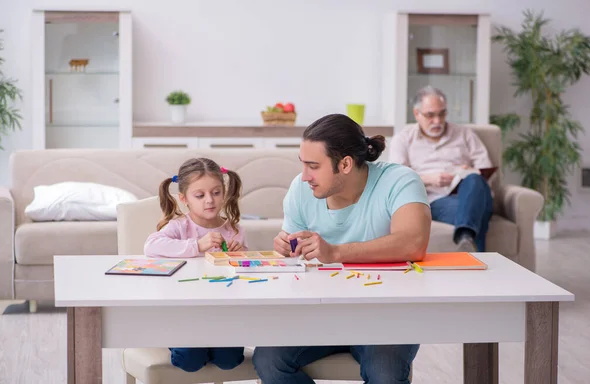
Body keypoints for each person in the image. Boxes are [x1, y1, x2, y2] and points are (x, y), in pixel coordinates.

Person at [252, 114, 431, 384]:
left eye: (313, 166)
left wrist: (335, 253)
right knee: (269, 360)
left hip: (387, 315)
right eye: (304, 165)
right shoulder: (300, 191)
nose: (304, 176)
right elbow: (293, 249)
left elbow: (413, 243)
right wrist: (286, 246)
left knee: (386, 375)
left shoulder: (399, 181)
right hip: (320, 314)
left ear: (345, 164)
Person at [144, 157, 247, 372]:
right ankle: (177, 337)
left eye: (216, 192)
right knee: (190, 360)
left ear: (224, 192)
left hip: (221, 313)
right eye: (200, 195)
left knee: (230, 360)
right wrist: (197, 245)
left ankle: (209, 342)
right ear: (184, 199)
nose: (209, 200)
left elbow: (243, 273)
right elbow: (151, 246)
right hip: (185, 313)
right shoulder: (179, 226)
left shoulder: (233, 230)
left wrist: (241, 254)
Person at [389, 85, 494, 252]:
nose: (437, 121)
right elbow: (395, 179)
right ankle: (467, 240)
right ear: (417, 114)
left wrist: (468, 170)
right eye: (430, 115)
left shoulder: (464, 134)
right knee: (477, 213)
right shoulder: (403, 139)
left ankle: (466, 241)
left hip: (469, 192)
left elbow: (486, 169)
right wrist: (428, 179)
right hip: (435, 200)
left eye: (441, 114)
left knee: (474, 180)